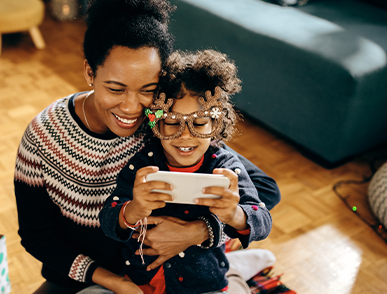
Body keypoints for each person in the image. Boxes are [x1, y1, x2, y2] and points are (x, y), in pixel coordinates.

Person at [13, 1, 280, 293]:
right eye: (115, 88)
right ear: (90, 73)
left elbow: (265, 191)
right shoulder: (44, 135)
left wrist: (196, 234)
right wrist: (112, 281)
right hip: (87, 276)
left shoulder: (167, 125)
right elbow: (37, 237)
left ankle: (232, 271)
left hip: (178, 268)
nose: (131, 108)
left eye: (148, 90)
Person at [99, 49, 272, 294]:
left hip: (203, 282)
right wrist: (134, 209)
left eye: (199, 123)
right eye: (172, 122)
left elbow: (263, 221)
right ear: (156, 122)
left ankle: (237, 272)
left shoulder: (225, 166)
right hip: (141, 280)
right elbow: (108, 220)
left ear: (216, 123)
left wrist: (235, 215)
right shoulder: (143, 163)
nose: (185, 135)